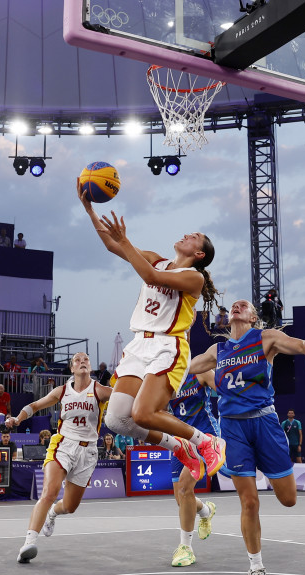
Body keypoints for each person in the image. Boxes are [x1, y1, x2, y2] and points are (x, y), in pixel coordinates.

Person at [81, 184, 225, 482]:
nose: (187, 234)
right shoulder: (158, 259)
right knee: (117, 418)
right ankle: (180, 446)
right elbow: (111, 244)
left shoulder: (193, 277)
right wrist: (89, 210)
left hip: (167, 346)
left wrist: (126, 242)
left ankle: (207, 441)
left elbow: (150, 276)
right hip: (138, 345)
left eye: (194, 237)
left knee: (144, 414)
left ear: (199, 253)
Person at [187, 299, 305, 575]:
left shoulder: (266, 339)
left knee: (289, 499)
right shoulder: (219, 350)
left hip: (265, 423)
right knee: (249, 502)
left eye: (244, 305)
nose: (237, 307)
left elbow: (300, 343)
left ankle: (267, 466)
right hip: (233, 427)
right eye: (234, 306)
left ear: (253, 317)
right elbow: (185, 367)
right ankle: (256, 567)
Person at [9, 352, 113, 563]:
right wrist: (18, 418)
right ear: (72, 368)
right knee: (49, 492)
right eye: (77, 360)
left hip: (88, 451)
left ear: (90, 367)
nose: (82, 362)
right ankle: (28, 543)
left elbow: (127, 397)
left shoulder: (100, 391)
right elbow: (35, 406)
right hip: (62, 445)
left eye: (86, 360)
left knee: (70, 506)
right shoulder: (62, 391)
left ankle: (53, 514)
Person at [168, 370, 220, 568]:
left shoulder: (200, 372)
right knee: (180, 498)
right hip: (179, 439)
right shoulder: (167, 378)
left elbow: (227, 391)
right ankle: (206, 510)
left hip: (204, 437)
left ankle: (185, 548)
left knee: (184, 488)